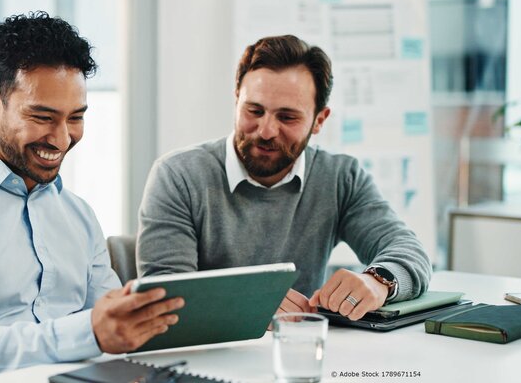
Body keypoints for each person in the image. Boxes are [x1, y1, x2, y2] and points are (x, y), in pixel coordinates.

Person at [0, 12, 183, 382]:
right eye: (42, 117)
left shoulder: (78, 215)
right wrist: (87, 333)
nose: (62, 138)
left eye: (75, 118)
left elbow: (115, 328)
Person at [137, 34, 431, 323]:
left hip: (301, 351)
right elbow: (163, 295)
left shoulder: (340, 177)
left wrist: (378, 282)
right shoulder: (178, 175)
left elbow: (409, 251)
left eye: (287, 117)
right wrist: (250, 299)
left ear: (319, 120)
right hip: (207, 356)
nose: (265, 131)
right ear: (237, 99)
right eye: (254, 111)